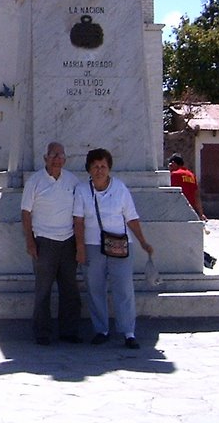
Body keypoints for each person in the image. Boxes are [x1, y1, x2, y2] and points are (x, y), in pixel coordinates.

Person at [73, 148, 153, 349]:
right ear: (89, 169)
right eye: (95, 166)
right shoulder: (82, 190)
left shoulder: (120, 188)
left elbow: (131, 217)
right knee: (95, 288)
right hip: (92, 245)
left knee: (124, 288)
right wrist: (80, 247)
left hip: (119, 244)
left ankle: (128, 331)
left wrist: (143, 241)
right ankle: (101, 329)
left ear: (109, 169)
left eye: (103, 166)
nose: (99, 170)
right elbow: (78, 221)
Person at [20, 141, 82, 345]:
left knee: (70, 289)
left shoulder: (73, 181)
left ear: (65, 159)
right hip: (44, 242)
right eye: (54, 154)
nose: (57, 158)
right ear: (45, 158)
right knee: (43, 289)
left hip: (68, 241)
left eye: (61, 155)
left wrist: (79, 244)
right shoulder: (35, 181)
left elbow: (78, 214)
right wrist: (30, 242)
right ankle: (42, 332)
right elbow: (26, 213)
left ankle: (69, 330)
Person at [168, 154, 205, 220]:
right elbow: (196, 195)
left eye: (170, 165)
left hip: (178, 211)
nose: (169, 167)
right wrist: (201, 213)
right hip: (191, 211)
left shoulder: (174, 175)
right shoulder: (191, 175)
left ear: (173, 163)